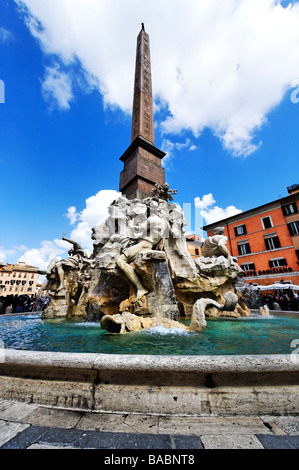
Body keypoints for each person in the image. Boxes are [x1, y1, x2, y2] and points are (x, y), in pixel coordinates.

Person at [116, 200, 169, 300]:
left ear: (149, 208)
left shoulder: (151, 219)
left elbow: (137, 229)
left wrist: (129, 223)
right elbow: (163, 238)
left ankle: (140, 288)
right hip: (149, 245)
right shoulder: (164, 223)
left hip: (143, 245)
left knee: (119, 261)